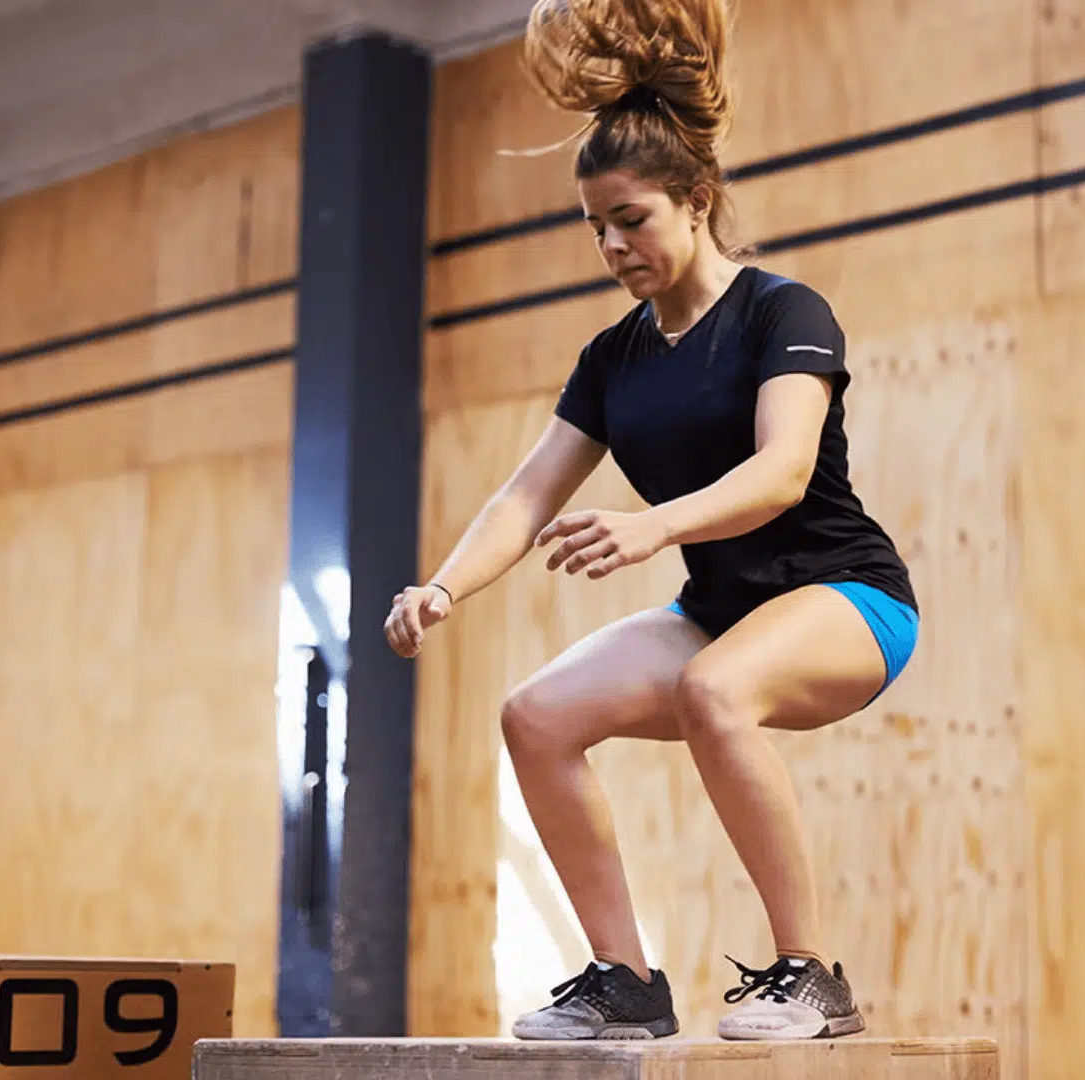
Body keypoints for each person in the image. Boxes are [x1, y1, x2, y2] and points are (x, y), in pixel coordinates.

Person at [382, 0, 919, 1043]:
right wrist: (443, 586)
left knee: (712, 689)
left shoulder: (781, 312)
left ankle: (813, 978)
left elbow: (782, 471)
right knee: (534, 716)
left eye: (633, 219)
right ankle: (623, 980)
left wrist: (651, 526)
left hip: (847, 599)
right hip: (719, 612)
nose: (613, 245)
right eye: (595, 227)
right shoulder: (613, 358)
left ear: (697, 198)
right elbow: (524, 496)